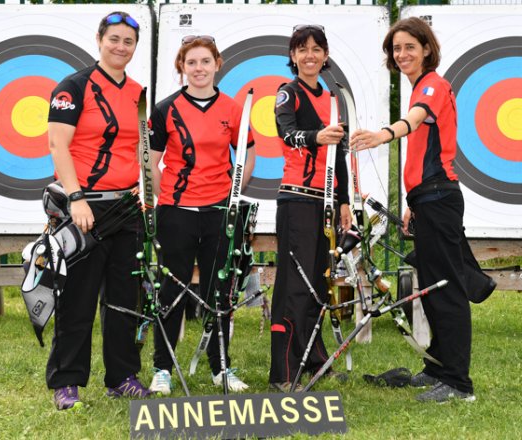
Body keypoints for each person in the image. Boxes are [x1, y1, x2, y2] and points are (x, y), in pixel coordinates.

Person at [351, 17, 477, 403]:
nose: (401, 54)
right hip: (428, 200)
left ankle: (458, 383)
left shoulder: (432, 85)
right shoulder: (419, 85)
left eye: (409, 46)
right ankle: (438, 368)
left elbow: (415, 121)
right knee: (432, 289)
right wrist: (412, 203)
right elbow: (426, 149)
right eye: (396, 48)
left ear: (426, 48)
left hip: (439, 198)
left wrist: (381, 135)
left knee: (447, 289)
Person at [45, 11, 150, 410]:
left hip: (127, 207)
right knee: (78, 299)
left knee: (125, 300)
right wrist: (76, 200)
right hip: (84, 207)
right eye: (115, 39)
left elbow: (140, 152)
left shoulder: (139, 93)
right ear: (100, 39)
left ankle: (122, 377)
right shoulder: (73, 87)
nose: (121, 47)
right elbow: (59, 146)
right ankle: (67, 382)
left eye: (128, 42)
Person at [147, 35, 256, 394]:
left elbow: (248, 154)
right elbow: (148, 159)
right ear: (182, 67)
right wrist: (167, 195)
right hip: (177, 213)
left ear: (217, 64)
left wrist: (233, 191)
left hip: (219, 213)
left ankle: (220, 367)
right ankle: (163, 368)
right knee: (171, 291)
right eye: (191, 62)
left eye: (205, 62)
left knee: (219, 292)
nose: (198, 69)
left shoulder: (232, 108)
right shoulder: (165, 109)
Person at [269, 24, 352, 392]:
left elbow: (341, 155)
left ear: (325, 54)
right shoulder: (288, 94)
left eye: (317, 49)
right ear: (293, 56)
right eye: (302, 49)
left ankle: (314, 360)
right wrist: (317, 136)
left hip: (327, 202)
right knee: (294, 286)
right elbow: (286, 133)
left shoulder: (333, 98)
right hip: (298, 199)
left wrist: (345, 200)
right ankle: (284, 372)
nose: (310, 56)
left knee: (319, 285)